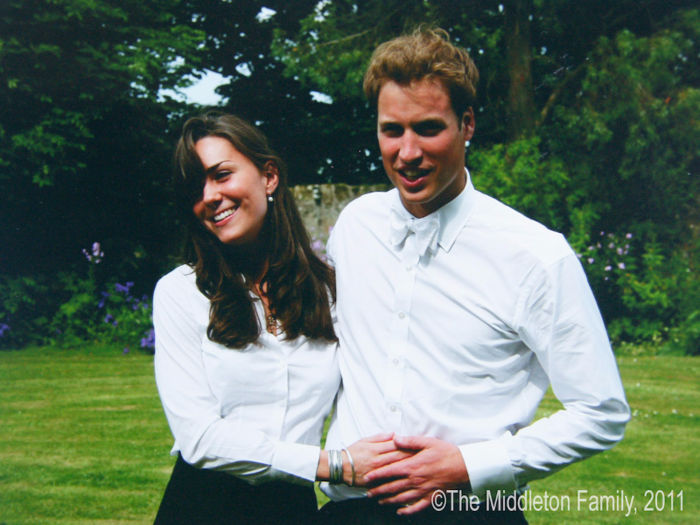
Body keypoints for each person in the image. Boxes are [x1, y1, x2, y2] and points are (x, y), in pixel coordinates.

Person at [319, 29, 630, 524]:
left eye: (427, 127)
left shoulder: (534, 254)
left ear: (467, 125)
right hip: (348, 511)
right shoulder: (357, 226)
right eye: (392, 130)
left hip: (469, 512)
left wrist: (469, 464)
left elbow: (601, 411)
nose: (407, 151)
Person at [152, 113, 404, 525]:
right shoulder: (181, 293)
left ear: (269, 177)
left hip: (292, 512)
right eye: (195, 187)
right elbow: (198, 438)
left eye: (221, 175)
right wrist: (332, 464)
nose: (210, 196)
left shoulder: (330, 294)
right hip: (201, 507)